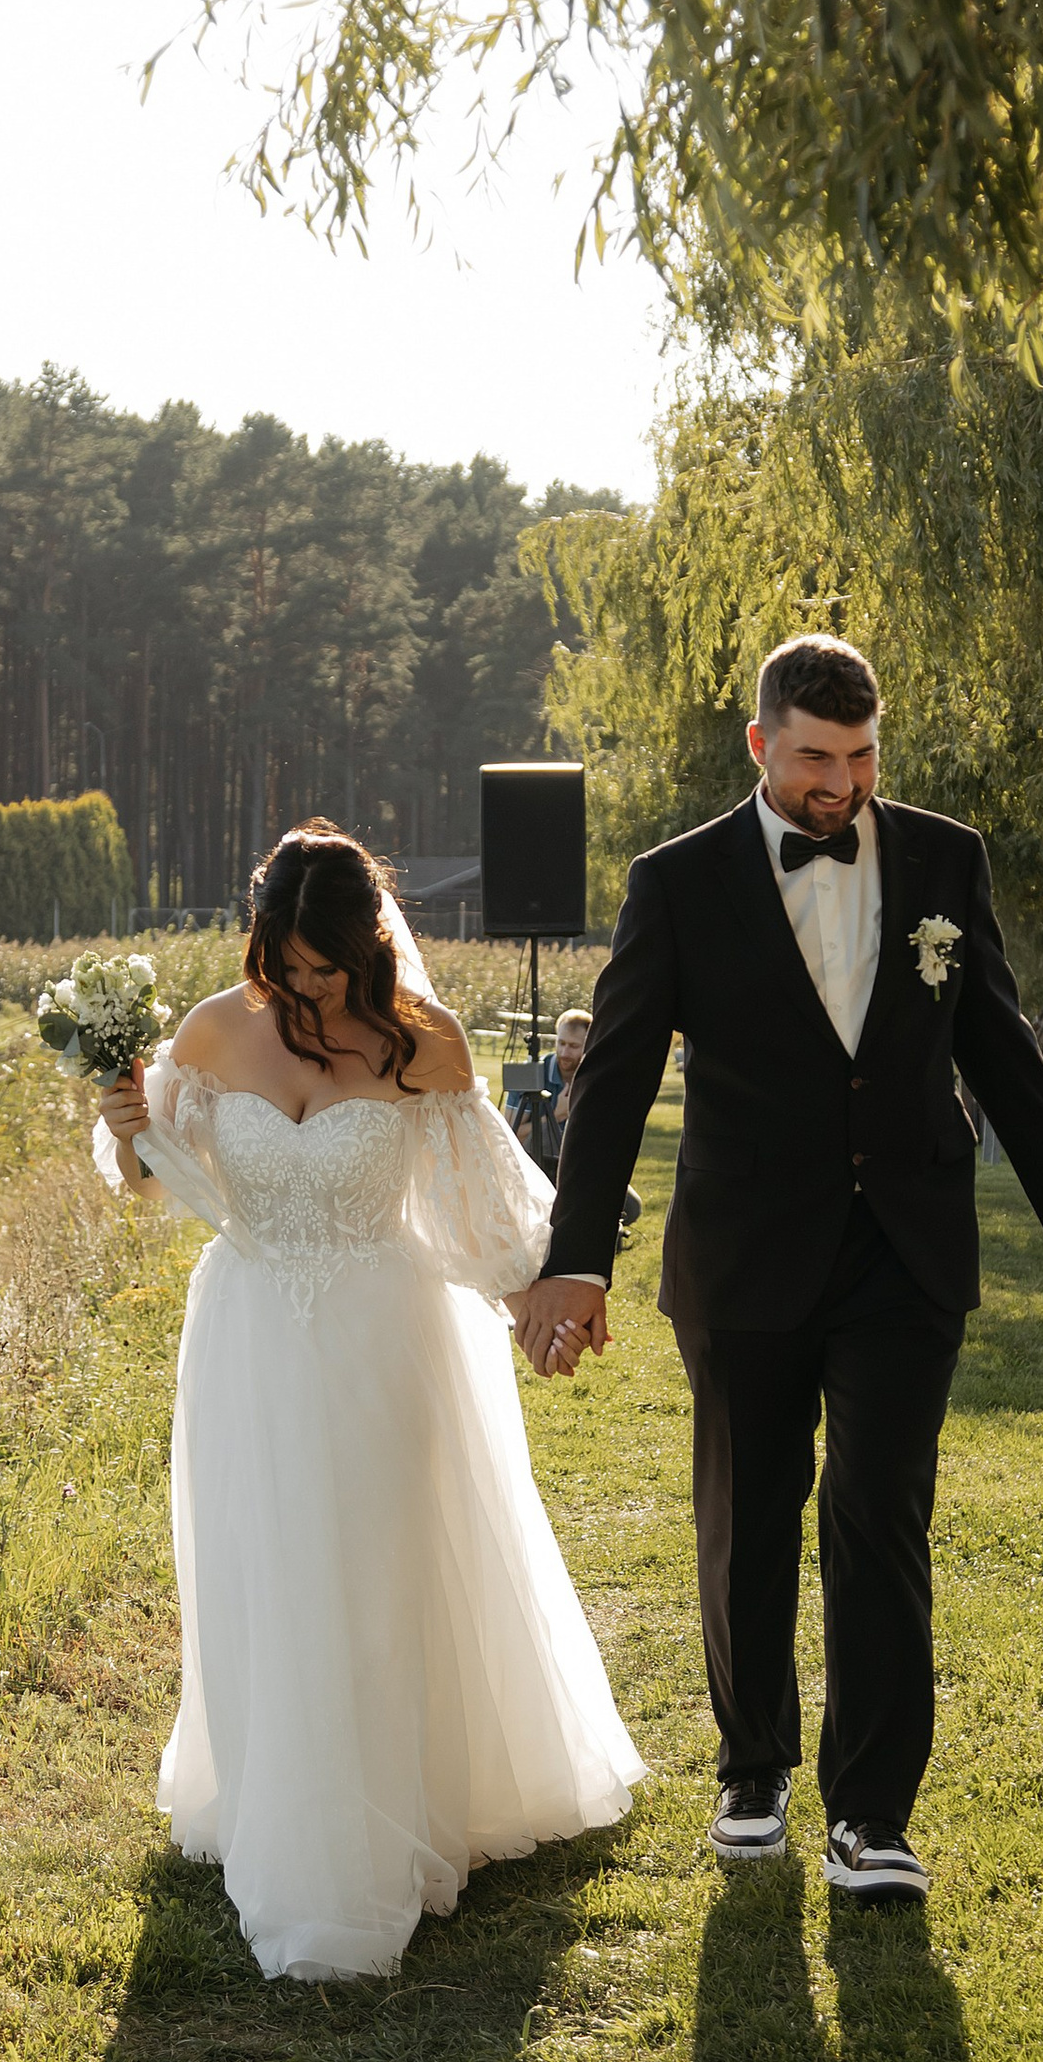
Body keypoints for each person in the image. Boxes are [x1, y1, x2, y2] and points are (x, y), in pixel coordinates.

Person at [504, 632, 1043, 1899]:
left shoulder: (946, 858)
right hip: (743, 1250)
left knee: (879, 1512)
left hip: (907, 1245)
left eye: (858, 757)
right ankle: (751, 1768)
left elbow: (997, 1044)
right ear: (760, 745)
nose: (839, 783)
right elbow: (613, 1077)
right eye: (813, 758)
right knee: (748, 1510)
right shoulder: (675, 882)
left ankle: (873, 1814)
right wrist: (577, 1260)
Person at [93, 822, 642, 1982]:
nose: (304, 992)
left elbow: (480, 1198)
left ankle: (396, 1803)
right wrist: (122, 1124)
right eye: (285, 970)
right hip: (247, 1334)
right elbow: (153, 1174)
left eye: (326, 971)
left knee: (375, 1565)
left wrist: (546, 1298)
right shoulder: (209, 1030)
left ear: (366, 948)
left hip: (383, 1333)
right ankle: (275, 1792)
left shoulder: (420, 1044)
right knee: (267, 1561)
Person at [506, 1008, 593, 1178]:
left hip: (581, 1166)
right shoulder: (527, 1073)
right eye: (561, 1043)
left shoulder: (594, 1076)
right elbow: (509, 1134)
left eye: (574, 1046)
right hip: (533, 1170)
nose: (565, 1053)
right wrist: (556, 1115)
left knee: (632, 1204)